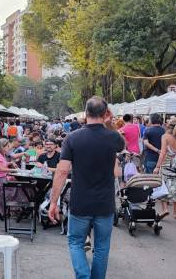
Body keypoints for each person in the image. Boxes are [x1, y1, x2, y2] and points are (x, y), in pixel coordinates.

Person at [49, 96, 124, 279]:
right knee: (101, 248)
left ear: (85, 112)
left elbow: (61, 172)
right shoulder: (113, 137)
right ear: (106, 114)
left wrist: (53, 202)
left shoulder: (72, 138)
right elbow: (123, 144)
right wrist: (110, 123)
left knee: (75, 243)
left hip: (80, 202)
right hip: (104, 204)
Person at [154, 119, 176, 219]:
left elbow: (163, 153)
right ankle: (175, 213)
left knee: (164, 186)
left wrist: (157, 167)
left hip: (167, 164)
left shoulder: (165, 137)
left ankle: (165, 209)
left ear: (167, 126)